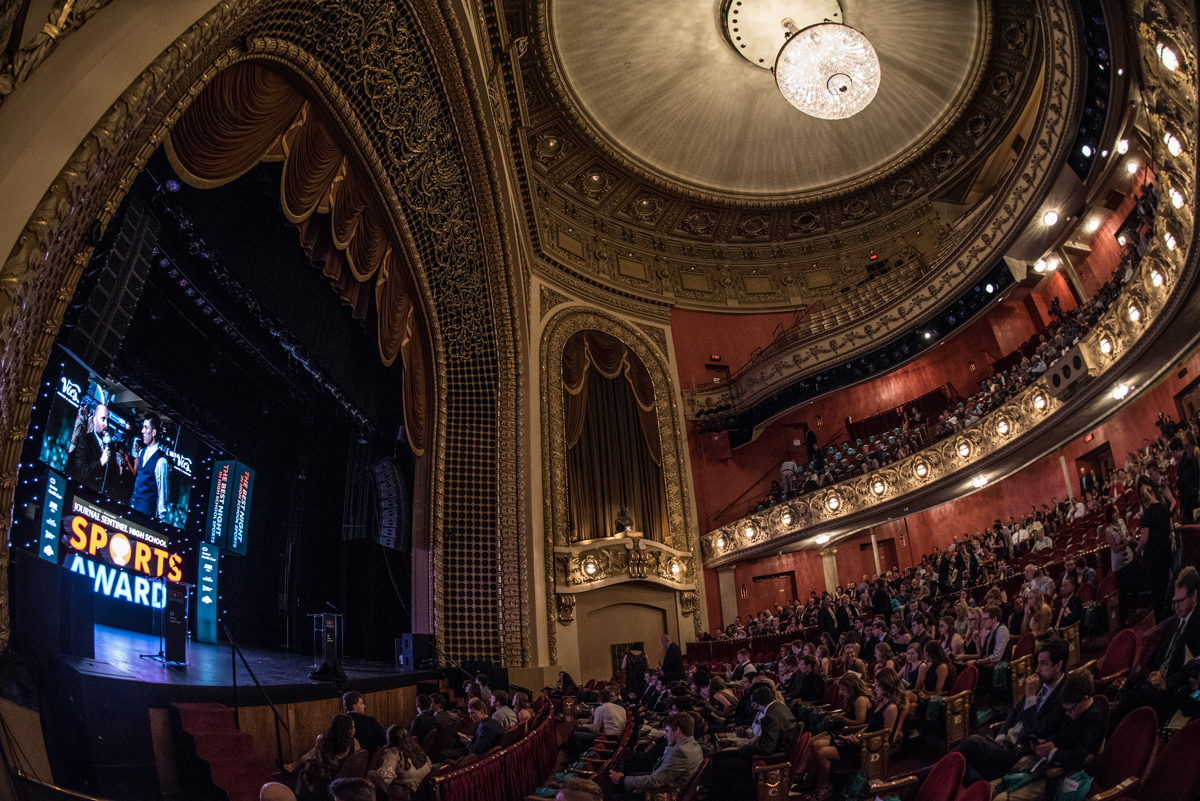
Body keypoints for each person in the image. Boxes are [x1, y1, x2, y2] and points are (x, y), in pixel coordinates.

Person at [951, 638, 1070, 783]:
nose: (1037, 669)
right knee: (964, 762)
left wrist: (1031, 697)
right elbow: (1015, 711)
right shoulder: (1042, 682)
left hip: (1019, 752)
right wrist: (1001, 736)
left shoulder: (1064, 697)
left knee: (973, 742)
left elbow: (1034, 733)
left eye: (1043, 664)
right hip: (1005, 743)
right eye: (1038, 662)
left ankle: (927, 776)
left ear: (1058, 665)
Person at [1112, 566, 1200, 725]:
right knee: (1138, 671)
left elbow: (1193, 669)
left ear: (1194, 596)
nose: (1176, 606)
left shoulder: (1197, 626)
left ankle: (1115, 715)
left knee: (1143, 692)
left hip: (1174, 689)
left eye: (1181, 601)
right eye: (1175, 601)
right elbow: (1159, 655)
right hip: (1158, 677)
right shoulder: (1174, 622)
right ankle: (1118, 706)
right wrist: (1150, 671)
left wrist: (1166, 682)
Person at [809, 669, 904, 800]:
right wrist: (856, 736)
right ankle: (820, 783)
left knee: (822, 752)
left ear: (886, 686)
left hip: (869, 748)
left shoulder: (891, 708)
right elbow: (868, 726)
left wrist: (859, 741)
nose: (874, 688)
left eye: (877, 686)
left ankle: (826, 786)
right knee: (816, 745)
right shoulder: (880, 702)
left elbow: (884, 737)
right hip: (862, 741)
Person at [608, 712, 702, 799]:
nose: (665, 736)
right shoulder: (695, 746)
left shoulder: (681, 752)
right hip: (666, 786)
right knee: (629, 777)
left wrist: (622, 780)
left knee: (616, 796)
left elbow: (655, 781)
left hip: (664, 794)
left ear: (677, 730)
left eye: (667, 731)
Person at [291, 715, 360, 801]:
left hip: (328, 780)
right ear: (345, 729)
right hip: (347, 779)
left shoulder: (322, 741)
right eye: (352, 727)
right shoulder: (355, 743)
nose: (355, 730)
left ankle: (297, 798)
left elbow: (319, 762)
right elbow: (357, 762)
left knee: (302, 772)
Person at [1137, 479, 1174, 620]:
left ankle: (1160, 619)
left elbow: (1144, 539)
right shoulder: (1164, 507)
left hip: (1154, 558)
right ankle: (1169, 615)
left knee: (1156, 590)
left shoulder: (1147, 514)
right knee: (1165, 585)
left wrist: (1137, 549)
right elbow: (1170, 526)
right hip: (1166, 552)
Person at [367, 725, 430, 796]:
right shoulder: (417, 749)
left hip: (407, 793)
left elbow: (386, 778)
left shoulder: (394, 752)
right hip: (424, 791)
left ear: (390, 738)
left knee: (371, 773)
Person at [130, 412, 169, 520]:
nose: (142, 431)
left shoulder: (161, 461)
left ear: (153, 432)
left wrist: (160, 520)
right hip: (133, 507)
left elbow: (162, 495)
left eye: (146, 428)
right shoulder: (142, 452)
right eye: (143, 427)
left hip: (145, 515)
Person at [66, 403, 113, 489]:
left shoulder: (111, 446)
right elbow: (80, 473)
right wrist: (101, 462)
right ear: (94, 420)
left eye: (108, 420)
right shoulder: (84, 441)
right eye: (103, 419)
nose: (106, 424)